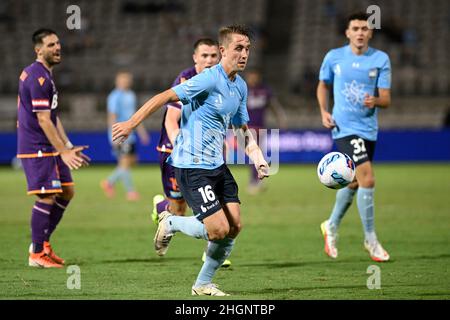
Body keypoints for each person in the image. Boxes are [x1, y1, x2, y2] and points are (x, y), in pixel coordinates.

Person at [112, 25, 269, 296]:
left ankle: (202, 284)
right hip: (191, 165)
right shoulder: (208, 79)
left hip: (216, 165)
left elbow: (242, 129)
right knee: (218, 229)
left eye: (247, 49)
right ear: (223, 51)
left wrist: (258, 158)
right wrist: (130, 123)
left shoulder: (240, 86)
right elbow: (164, 97)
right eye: (238, 48)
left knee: (235, 226)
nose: (244, 54)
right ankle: (171, 222)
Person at [150, 38, 232, 267]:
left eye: (213, 56)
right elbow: (171, 120)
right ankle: (162, 210)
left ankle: (212, 252)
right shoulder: (185, 80)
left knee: (215, 202)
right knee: (179, 207)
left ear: (220, 57)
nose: (209, 60)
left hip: (205, 154)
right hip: (175, 152)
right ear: (195, 57)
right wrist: (183, 146)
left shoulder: (222, 79)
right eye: (204, 55)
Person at [317, 12, 391, 262]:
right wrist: (324, 110)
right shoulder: (334, 57)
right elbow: (323, 84)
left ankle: (331, 225)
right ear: (347, 32)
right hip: (344, 128)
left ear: (370, 32)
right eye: (355, 28)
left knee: (354, 183)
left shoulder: (381, 59)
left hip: (368, 129)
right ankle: (370, 239)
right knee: (368, 179)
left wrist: (376, 100)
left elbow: (386, 99)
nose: (360, 32)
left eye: (364, 28)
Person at [17, 28, 90, 268]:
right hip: (38, 147)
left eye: (58, 44)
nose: (57, 48)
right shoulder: (37, 76)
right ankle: (36, 253)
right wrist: (63, 151)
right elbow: (43, 120)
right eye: (50, 45)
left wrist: (68, 145)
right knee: (47, 197)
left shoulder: (45, 76)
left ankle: (44, 244)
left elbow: (54, 117)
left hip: (50, 146)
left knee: (67, 191)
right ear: (38, 50)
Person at [101, 72, 149, 201]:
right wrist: (114, 135)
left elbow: (135, 117)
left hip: (131, 134)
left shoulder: (131, 95)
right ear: (117, 81)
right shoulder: (114, 96)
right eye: (122, 80)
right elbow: (112, 115)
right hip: (121, 133)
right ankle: (130, 191)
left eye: (127, 80)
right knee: (125, 162)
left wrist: (142, 132)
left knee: (131, 161)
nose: (125, 82)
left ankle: (110, 182)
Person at [244, 68, 287, 194]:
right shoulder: (243, 90)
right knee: (254, 154)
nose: (253, 78)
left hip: (260, 127)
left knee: (257, 154)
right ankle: (255, 181)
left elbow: (273, 105)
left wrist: (281, 119)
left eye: (255, 76)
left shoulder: (265, 90)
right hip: (247, 127)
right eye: (251, 76)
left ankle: (257, 180)